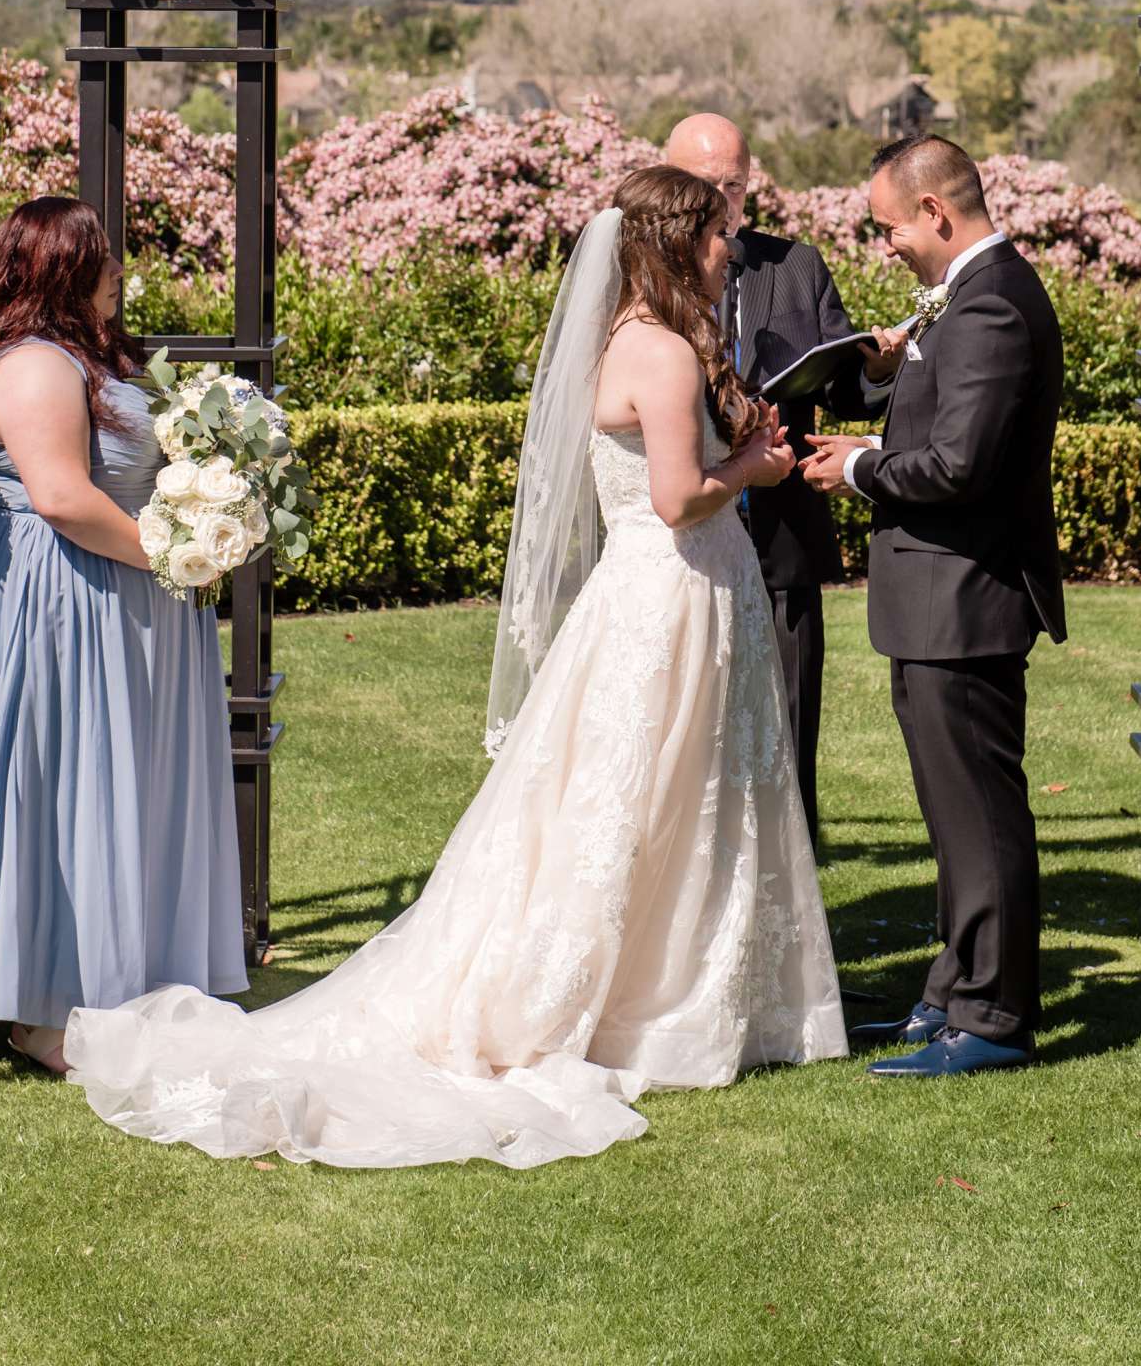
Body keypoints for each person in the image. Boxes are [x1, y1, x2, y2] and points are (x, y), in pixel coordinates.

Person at [63, 165, 847, 1170]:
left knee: (656, 797)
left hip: (666, 592)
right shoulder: (663, 353)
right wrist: (755, 470)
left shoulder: (631, 341)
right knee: (656, 798)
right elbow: (676, 496)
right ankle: (649, 1007)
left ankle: (674, 992)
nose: (726, 249)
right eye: (709, 237)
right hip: (673, 588)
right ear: (667, 244)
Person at [0, 197, 245, 1074]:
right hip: (63, 595)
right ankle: (50, 1005)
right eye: (106, 259)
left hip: (110, 590)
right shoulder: (35, 368)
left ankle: (120, 975)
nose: (120, 273)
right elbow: (60, 497)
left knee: (119, 778)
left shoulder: (81, 359)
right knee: (67, 775)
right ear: (66, 269)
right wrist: (175, 560)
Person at [803, 135, 1065, 1077]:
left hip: (966, 599)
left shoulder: (991, 303)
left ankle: (993, 1017)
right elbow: (939, 429)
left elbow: (960, 466)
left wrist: (859, 469)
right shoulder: (967, 297)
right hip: (932, 602)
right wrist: (869, 431)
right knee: (953, 815)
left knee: (982, 813)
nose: (885, 247)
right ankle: (951, 991)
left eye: (887, 229)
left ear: (936, 216)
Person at [663, 115, 899, 845]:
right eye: (704, 184)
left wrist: (876, 366)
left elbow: (845, 393)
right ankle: (689, 843)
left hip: (781, 526)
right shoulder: (642, 277)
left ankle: (792, 845)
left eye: (732, 183)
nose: (721, 198)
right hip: (681, 527)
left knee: (789, 698)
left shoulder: (795, 266)